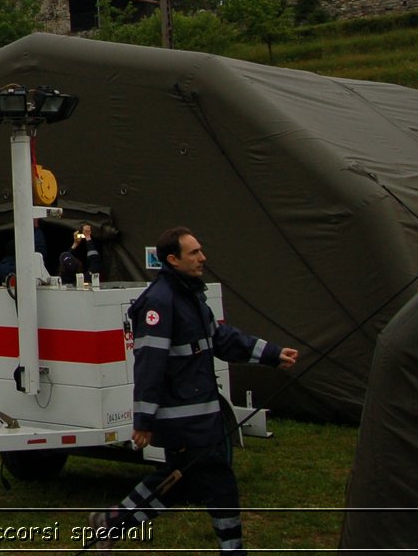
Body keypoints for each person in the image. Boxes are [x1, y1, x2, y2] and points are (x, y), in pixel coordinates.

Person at [87, 227, 298, 552]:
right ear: (173, 259)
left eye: (200, 250)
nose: (203, 258)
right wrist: (144, 420)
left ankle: (113, 521)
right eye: (194, 253)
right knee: (220, 484)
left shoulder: (191, 297)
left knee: (179, 483)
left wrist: (271, 354)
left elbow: (222, 340)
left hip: (202, 416)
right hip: (183, 421)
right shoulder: (160, 303)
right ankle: (232, 548)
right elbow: (149, 365)